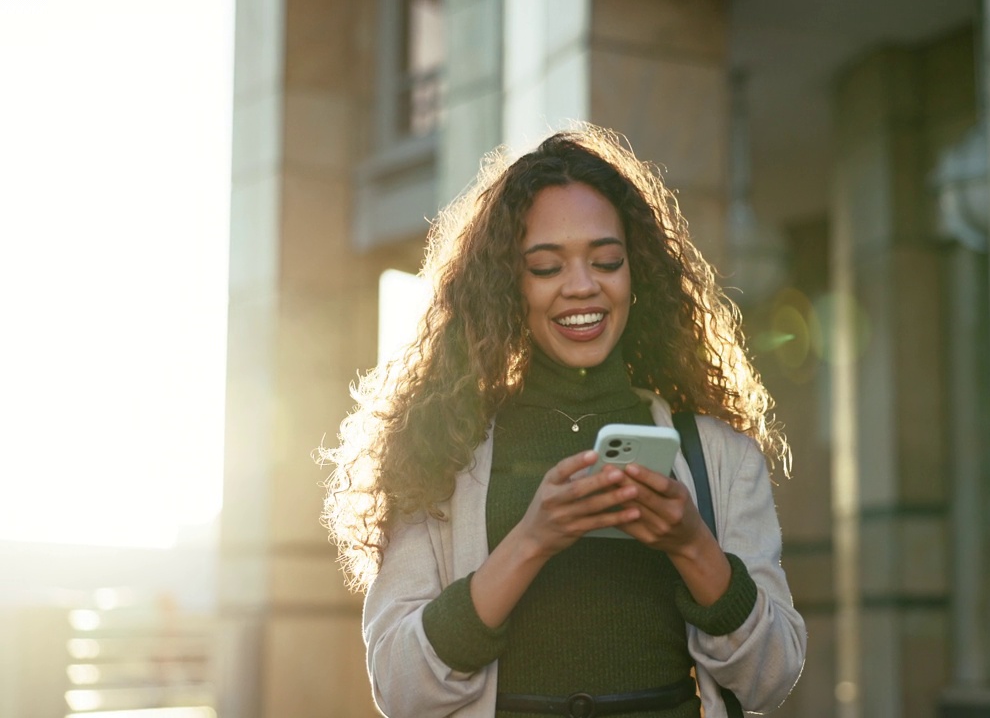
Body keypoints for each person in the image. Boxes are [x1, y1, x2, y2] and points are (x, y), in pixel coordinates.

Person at [320, 124, 805, 718]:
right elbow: (399, 686)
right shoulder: (440, 452)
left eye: (606, 261)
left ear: (637, 275)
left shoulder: (722, 457)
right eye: (546, 268)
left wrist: (691, 545)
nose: (582, 287)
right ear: (508, 285)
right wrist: (531, 540)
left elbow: (772, 679)